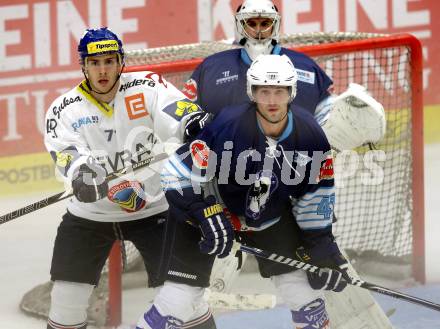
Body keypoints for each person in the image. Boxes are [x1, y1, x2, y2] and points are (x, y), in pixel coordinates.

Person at [181, 0, 385, 295]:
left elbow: (325, 122)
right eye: (253, 23)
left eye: (265, 23)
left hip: (287, 191)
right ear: (241, 25)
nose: (260, 30)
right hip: (226, 191)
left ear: (275, 24)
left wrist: (345, 119)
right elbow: (187, 119)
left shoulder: (303, 67)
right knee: (194, 287)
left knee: (308, 282)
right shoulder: (212, 68)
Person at [136, 54, 351, 329]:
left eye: (280, 91)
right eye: (264, 91)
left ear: (292, 92)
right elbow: (176, 175)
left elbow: (315, 196)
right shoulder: (228, 126)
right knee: (177, 301)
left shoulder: (311, 136)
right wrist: (206, 213)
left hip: (269, 216)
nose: (272, 100)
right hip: (208, 211)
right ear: (252, 92)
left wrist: (322, 248)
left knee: (306, 297)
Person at [44, 27, 209, 329]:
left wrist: (192, 121)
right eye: (95, 63)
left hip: (156, 209)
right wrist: (82, 173)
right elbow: (67, 153)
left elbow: (176, 109)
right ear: (83, 66)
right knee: (65, 301)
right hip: (90, 216)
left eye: (109, 61)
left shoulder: (147, 86)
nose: (103, 70)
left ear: (121, 61)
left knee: (187, 299)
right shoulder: (63, 110)